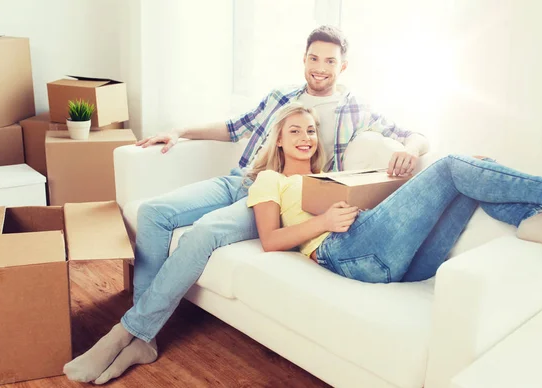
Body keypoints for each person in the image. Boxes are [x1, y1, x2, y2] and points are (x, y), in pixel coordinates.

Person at [63, 25, 429, 384]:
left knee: (205, 232)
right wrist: (179, 131)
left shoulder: (355, 109)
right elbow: (234, 127)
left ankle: (129, 331)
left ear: (342, 66)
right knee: (153, 213)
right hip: (241, 179)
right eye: (314, 58)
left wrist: (410, 151)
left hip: (278, 196)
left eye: (330, 61)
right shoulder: (282, 96)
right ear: (303, 59)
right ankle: (143, 336)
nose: (320, 67)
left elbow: (413, 135)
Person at [247, 103, 542, 286]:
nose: (305, 136)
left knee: (473, 171)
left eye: (310, 130)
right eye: (295, 130)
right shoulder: (270, 179)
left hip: (406, 264)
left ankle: (532, 221)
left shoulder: (330, 175)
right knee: (455, 165)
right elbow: (270, 240)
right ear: (279, 139)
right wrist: (324, 220)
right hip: (344, 253)